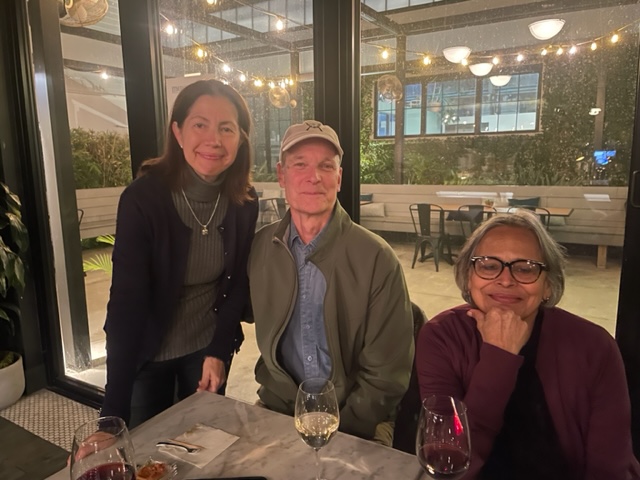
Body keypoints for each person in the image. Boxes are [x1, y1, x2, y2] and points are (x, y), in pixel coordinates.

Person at [416, 209, 640, 479]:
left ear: (548, 285)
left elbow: (610, 469)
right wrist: (499, 357)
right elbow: (448, 462)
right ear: (468, 277)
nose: (506, 279)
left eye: (525, 268)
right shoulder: (441, 337)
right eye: (488, 265)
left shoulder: (596, 347)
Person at [100, 79, 258, 427]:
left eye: (226, 128)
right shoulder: (142, 199)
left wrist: (218, 351)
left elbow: (236, 287)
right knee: (145, 453)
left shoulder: (244, 202)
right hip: (146, 351)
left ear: (241, 138)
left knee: (203, 445)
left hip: (206, 347)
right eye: (200, 124)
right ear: (178, 131)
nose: (214, 140)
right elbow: (126, 302)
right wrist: (111, 415)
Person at [248, 120, 414, 445]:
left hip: (357, 418)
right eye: (300, 165)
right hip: (279, 408)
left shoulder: (377, 258)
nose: (315, 177)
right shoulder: (259, 249)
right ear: (282, 175)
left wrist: (342, 430)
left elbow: (386, 378)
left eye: (326, 166)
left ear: (339, 178)